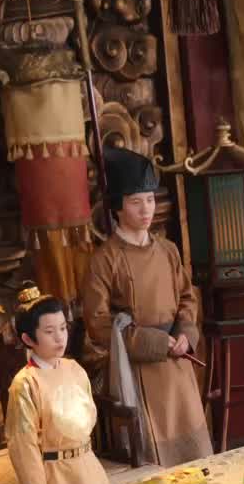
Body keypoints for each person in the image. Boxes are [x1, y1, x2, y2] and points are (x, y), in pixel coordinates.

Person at [80, 147, 212, 466]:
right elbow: (98, 322)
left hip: (178, 360)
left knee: (197, 459)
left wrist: (186, 334)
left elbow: (187, 297)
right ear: (117, 207)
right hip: (138, 367)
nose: (146, 209)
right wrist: (152, 342)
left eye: (150, 200)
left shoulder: (168, 250)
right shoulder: (105, 259)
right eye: (136, 201)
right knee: (158, 464)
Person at [4, 290, 110, 484]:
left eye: (63, 328)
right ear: (28, 338)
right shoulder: (25, 384)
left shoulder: (75, 369)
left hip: (91, 469)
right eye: (49, 331)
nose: (60, 337)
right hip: (56, 479)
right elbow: (24, 450)